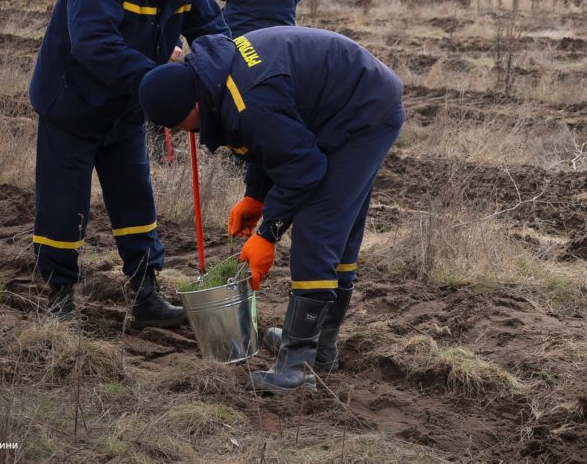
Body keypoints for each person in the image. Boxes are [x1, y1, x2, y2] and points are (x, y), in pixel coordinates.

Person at [138, 27, 404, 393]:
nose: (184, 131)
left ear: (193, 107)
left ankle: (297, 367)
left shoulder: (247, 102)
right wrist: (256, 197)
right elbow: (272, 142)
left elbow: (303, 167)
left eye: (178, 124)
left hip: (363, 112)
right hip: (347, 101)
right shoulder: (218, 79)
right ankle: (320, 349)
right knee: (336, 227)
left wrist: (268, 233)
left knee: (318, 225)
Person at [29, 0, 231, 325]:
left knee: (136, 198)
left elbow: (214, 34)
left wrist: (223, 79)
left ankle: (145, 296)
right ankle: (60, 299)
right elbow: (94, 45)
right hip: (72, 105)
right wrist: (160, 80)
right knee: (63, 204)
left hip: (126, 109)